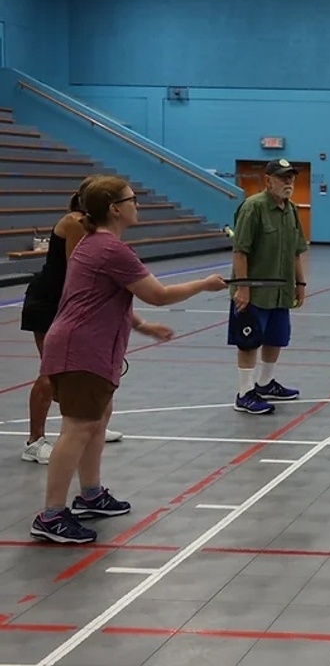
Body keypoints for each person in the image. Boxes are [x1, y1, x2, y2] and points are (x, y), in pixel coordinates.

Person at [30, 176, 226, 544]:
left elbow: (99, 295)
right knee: (76, 428)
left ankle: (91, 494)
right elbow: (159, 293)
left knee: (97, 420)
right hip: (81, 349)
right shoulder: (108, 248)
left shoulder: (96, 245)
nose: (138, 204)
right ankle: (51, 515)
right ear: (115, 209)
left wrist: (142, 325)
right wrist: (204, 283)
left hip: (93, 347)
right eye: (132, 199)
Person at [19, 178, 122, 464]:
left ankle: (92, 425)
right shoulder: (76, 222)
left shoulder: (98, 227)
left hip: (71, 301)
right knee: (51, 373)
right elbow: (80, 270)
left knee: (90, 369)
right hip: (50, 301)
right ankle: (34, 441)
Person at [228, 159, 309, 415]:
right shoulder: (253, 208)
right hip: (254, 290)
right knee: (249, 341)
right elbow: (240, 251)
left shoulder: (291, 210)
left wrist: (300, 283)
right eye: (283, 178)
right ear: (268, 180)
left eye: (291, 178)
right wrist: (243, 288)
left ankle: (264, 384)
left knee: (277, 338)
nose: (288, 182)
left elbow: (296, 251)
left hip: (280, 290)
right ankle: (244, 393)